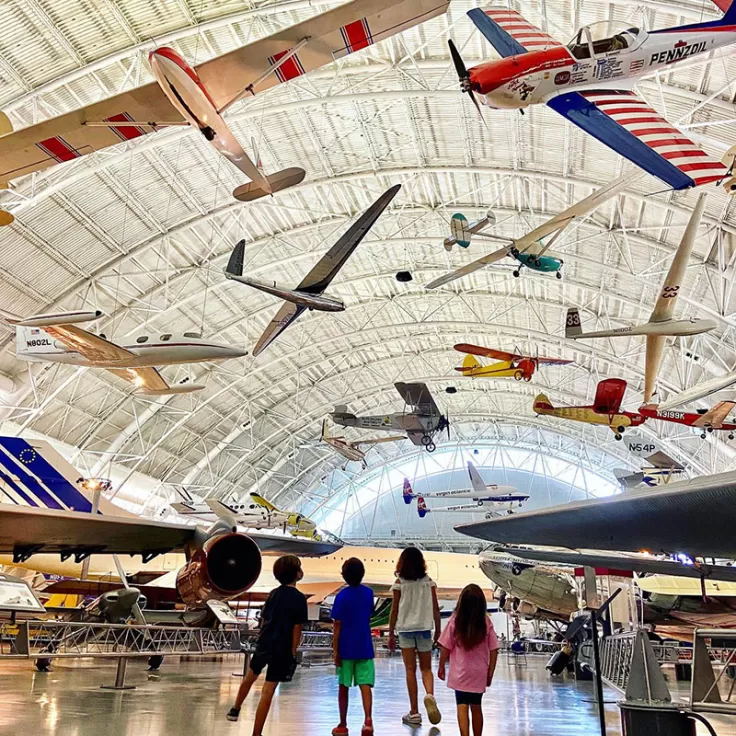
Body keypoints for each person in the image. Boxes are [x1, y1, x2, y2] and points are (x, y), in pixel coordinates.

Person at [227, 555, 308, 732]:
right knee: (268, 690)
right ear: (296, 574)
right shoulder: (299, 598)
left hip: (265, 642)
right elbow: (297, 628)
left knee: (250, 676)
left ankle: (236, 707)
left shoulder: (273, 594)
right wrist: (293, 652)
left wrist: (262, 635)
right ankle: (256, 732)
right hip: (283, 648)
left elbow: (264, 619)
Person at [388, 546, 442, 726]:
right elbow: (435, 608)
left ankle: (414, 712)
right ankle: (430, 695)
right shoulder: (428, 582)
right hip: (425, 628)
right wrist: (438, 630)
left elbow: (394, 610)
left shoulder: (400, 582)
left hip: (405, 630)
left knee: (410, 670)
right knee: (426, 669)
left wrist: (390, 634)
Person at [438, 584, 500, 736]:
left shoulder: (455, 621)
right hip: (479, 673)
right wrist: (490, 672)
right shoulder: (486, 622)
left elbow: (445, 646)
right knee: (476, 707)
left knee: (462, 706)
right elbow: (494, 649)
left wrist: (441, 666)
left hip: (460, 673)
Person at [331, 558, 375, 736]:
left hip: (345, 647)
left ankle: (342, 724)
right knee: (365, 684)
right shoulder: (369, 593)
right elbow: (368, 614)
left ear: (344, 575)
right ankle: (368, 720)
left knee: (343, 685)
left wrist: (335, 650)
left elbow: (337, 625)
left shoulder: (341, 596)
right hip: (364, 644)